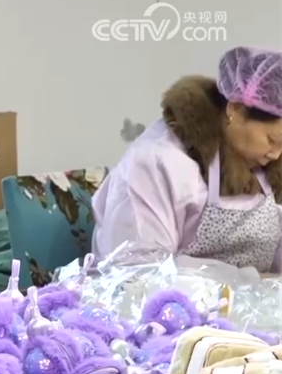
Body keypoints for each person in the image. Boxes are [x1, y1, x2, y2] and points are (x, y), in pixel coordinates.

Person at [92, 46, 282, 273]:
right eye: (273, 140)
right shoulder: (158, 163)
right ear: (236, 109)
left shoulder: (265, 165)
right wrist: (244, 280)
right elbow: (137, 270)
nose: (276, 154)